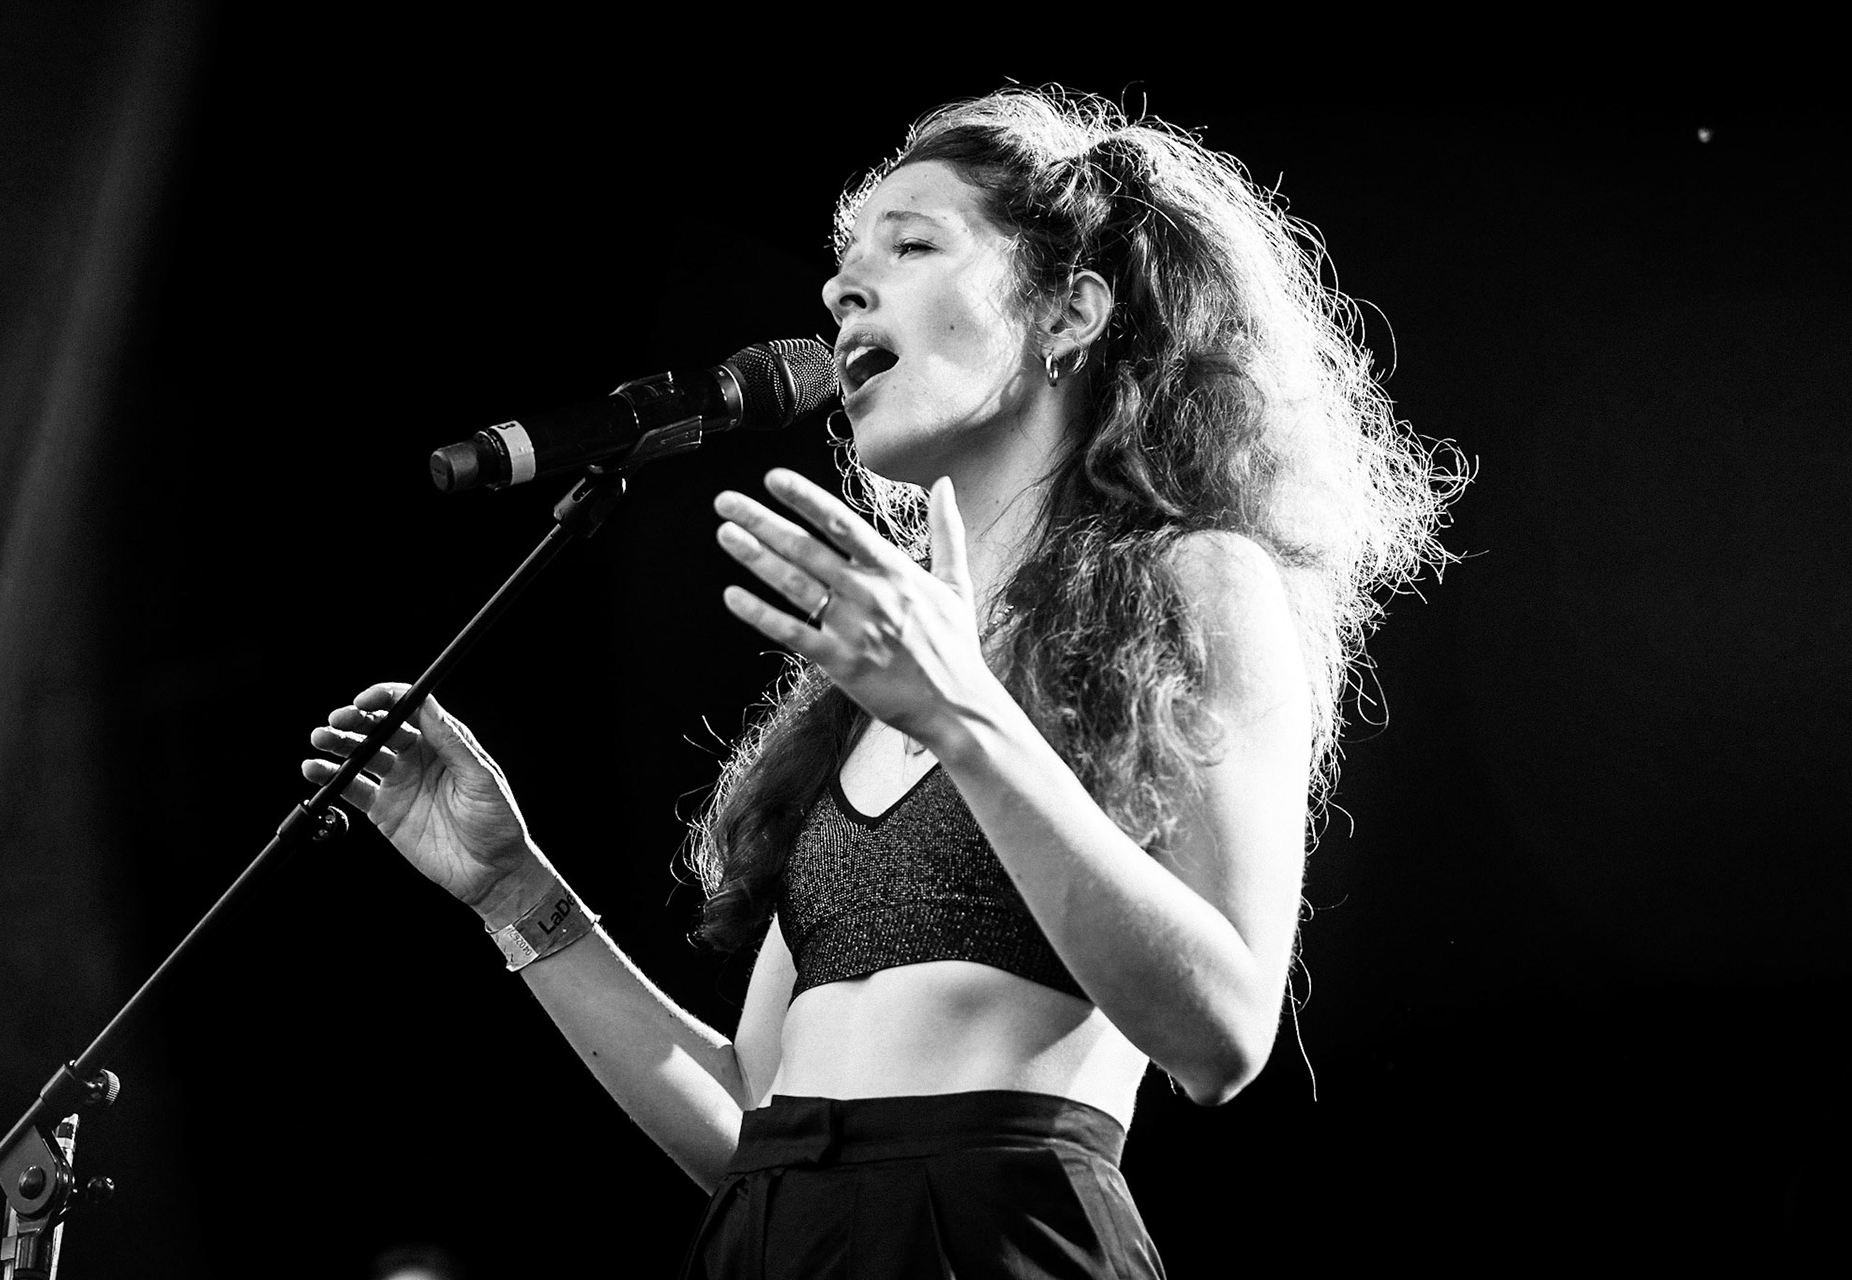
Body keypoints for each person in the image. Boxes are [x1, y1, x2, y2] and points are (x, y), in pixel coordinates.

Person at [304, 88, 1457, 1278]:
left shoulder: (1193, 581)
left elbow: (1224, 1033)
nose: (841, 288)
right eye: (845, 262)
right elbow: (751, 1123)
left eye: (910, 246)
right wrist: (517, 892)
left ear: (1070, 311)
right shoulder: (864, 685)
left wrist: (963, 713)